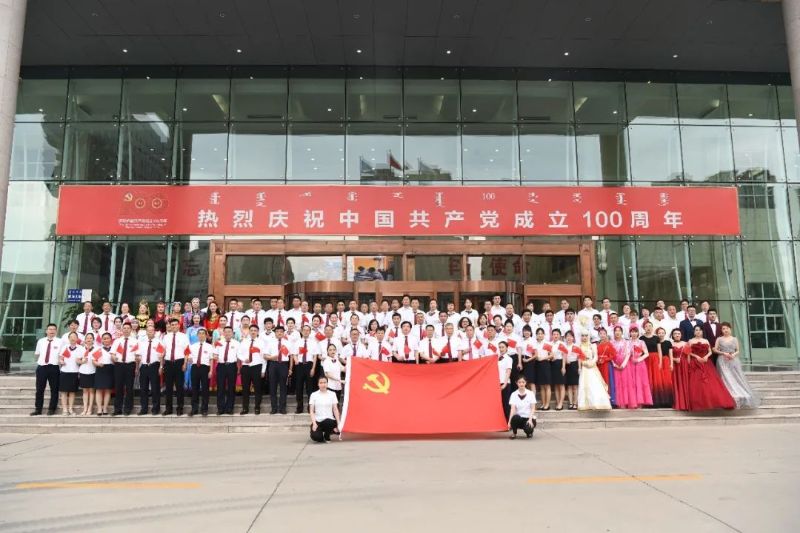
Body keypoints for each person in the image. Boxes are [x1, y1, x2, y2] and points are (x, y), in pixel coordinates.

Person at [686, 325, 735, 411]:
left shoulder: (706, 340)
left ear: (702, 332)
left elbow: (710, 352)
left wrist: (706, 356)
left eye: (700, 330)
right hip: (695, 363)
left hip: (706, 362)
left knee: (711, 383)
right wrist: (696, 357)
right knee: (697, 383)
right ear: (694, 332)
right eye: (696, 330)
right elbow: (688, 352)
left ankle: (715, 401)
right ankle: (699, 403)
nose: (698, 332)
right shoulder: (690, 341)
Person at [713, 323, 760, 409]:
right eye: (723, 329)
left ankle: (740, 395)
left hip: (733, 360)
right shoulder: (719, 339)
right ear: (721, 330)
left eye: (727, 328)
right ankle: (728, 396)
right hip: (722, 361)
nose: (725, 330)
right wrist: (723, 353)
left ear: (730, 329)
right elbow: (715, 350)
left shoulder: (734, 339)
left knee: (736, 377)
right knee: (726, 377)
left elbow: (738, 350)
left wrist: (733, 355)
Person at [31, 323, 62, 416]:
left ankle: (52, 409)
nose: (52, 331)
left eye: (53, 329)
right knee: (40, 389)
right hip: (42, 367)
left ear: (56, 331)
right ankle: (38, 409)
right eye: (50, 329)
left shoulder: (60, 341)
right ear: (46, 331)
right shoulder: (41, 341)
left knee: (54, 389)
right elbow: (37, 354)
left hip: (54, 367)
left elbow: (62, 355)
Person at [577, 330, 612, 411]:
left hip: (592, 367)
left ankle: (597, 403)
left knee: (594, 384)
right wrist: (580, 367)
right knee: (584, 385)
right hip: (584, 368)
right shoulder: (579, 346)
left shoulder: (592, 345)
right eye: (583, 336)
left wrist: (592, 362)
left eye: (586, 335)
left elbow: (596, 356)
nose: (584, 337)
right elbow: (579, 358)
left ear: (589, 336)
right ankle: (586, 404)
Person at [162, 318, 190, 415]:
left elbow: (187, 351)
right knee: (168, 387)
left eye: (176, 324)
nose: (174, 326)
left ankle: (180, 408)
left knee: (179, 386)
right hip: (168, 363)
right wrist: (162, 364)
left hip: (179, 362)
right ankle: (168, 409)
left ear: (179, 325)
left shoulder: (184, 336)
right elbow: (163, 350)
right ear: (170, 326)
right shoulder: (166, 337)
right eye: (172, 325)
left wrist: (185, 363)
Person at [111, 321, 138, 416]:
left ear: (131, 330)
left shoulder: (135, 341)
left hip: (130, 365)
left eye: (128, 328)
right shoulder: (117, 341)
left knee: (129, 388)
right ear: (122, 329)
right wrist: (113, 357)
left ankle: (128, 409)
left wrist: (137, 368)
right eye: (124, 328)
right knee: (118, 387)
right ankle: (117, 409)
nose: (126, 330)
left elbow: (137, 356)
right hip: (119, 365)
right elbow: (112, 353)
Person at [238, 324, 266, 415]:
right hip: (246, 367)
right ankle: (245, 408)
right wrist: (243, 359)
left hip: (257, 367)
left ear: (258, 332)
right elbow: (239, 353)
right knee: (245, 389)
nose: (253, 332)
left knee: (257, 388)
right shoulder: (244, 341)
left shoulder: (261, 342)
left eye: (255, 330)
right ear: (249, 331)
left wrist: (263, 370)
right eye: (251, 330)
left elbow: (264, 357)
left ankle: (257, 408)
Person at [137, 324, 164, 416]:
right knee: (143, 388)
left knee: (155, 388)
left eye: (152, 331)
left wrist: (161, 367)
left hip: (154, 366)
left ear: (154, 332)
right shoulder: (142, 342)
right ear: (146, 332)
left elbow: (161, 356)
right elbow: (138, 355)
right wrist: (137, 366)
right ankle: (144, 409)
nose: (150, 332)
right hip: (144, 366)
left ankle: (155, 409)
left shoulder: (159, 342)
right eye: (148, 331)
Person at [266, 325, 292, 414]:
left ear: (284, 333)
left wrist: (290, 368)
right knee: (272, 387)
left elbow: (291, 356)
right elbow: (265, 355)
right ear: (275, 333)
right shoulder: (270, 342)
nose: (279, 333)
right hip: (273, 365)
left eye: (281, 331)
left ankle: (282, 408)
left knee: (283, 387)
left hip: (284, 365)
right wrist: (271, 357)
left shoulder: (288, 343)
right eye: (277, 331)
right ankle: (274, 408)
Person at [642, 322, 668, 407]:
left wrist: (660, 362)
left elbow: (659, 351)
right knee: (647, 379)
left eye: (650, 326)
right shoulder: (641, 338)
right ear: (644, 328)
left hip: (655, 360)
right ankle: (647, 401)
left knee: (656, 380)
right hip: (646, 359)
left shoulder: (656, 338)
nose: (648, 328)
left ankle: (657, 401)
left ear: (652, 327)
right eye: (646, 326)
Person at [214, 326, 239, 415]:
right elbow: (215, 354)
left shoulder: (237, 343)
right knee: (220, 387)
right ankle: (220, 408)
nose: (228, 333)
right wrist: (215, 356)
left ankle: (229, 408)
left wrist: (239, 368)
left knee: (231, 388)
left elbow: (239, 356)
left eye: (229, 332)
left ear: (232, 333)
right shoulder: (218, 343)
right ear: (223, 333)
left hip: (232, 366)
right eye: (226, 332)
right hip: (221, 366)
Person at [189, 328, 214, 417]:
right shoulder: (192, 346)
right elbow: (189, 358)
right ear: (197, 335)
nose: (201, 335)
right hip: (195, 367)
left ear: (206, 335)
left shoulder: (210, 346)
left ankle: (204, 409)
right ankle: (194, 409)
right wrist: (189, 359)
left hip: (205, 368)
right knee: (194, 389)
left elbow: (211, 359)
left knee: (205, 389)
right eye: (199, 333)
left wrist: (211, 370)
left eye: (203, 333)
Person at [309, 377, 342, 443]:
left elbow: (335, 409)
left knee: (329, 422)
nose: (323, 384)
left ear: (327, 384)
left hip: (329, 420)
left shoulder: (332, 394)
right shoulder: (314, 395)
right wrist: (314, 423)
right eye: (321, 383)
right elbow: (311, 411)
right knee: (316, 437)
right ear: (318, 384)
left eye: (325, 382)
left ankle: (327, 435)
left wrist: (338, 423)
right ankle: (322, 435)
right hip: (318, 421)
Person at [627, 327, 653, 408]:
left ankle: (640, 402)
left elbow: (646, 353)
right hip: (630, 363)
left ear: (638, 333)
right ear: (630, 333)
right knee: (631, 382)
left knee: (640, 382)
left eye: (635, 332)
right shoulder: (627, 342)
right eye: (632, 332)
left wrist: (638, 359)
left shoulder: (641, 342)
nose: (634, 333)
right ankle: (632, 402)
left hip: (640, 364)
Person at [58, 332, 83, 416]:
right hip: (64, 371)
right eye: (71, 337)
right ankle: (65, 409)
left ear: (77, 339)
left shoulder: (80, 348)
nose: (73, 338)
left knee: (72, 392)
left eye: (74, 337)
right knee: (64, 392)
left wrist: (80, 361)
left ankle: (70, 409)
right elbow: (60, 358)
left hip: (75, 372)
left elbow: (82, 359)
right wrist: (61, 361)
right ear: (68, 338)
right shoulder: (65, 347)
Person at [92, 332, 115, 416]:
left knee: (108, 390)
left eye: (108, 338)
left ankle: (105, 408)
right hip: (100, 369)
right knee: (99, 390)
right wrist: (98, 364)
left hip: (110, 369)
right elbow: (93, 360)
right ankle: (99, 408)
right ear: (102, 340)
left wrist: (114, 360)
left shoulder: (114, 349)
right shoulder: (99, 349)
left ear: (111, 339)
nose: (106, 340)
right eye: (104, 339)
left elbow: (117, 360)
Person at [669, 328, 691, 411]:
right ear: (672, 335)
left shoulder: (686, 343)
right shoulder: (670, 343)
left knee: (685, 383)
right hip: (674, 365)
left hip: (684, 365)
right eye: (675, 334)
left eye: (678, 333)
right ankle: (678, 403)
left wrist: (689, 366)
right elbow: (668, 356)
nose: (677, 335)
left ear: (681, 335)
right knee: (676, 383)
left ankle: (686, 404)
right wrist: (674, 359)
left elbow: (688, 356)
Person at [77, 333, 97, 416]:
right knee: (85, 391)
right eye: (87, 338)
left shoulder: (96, 349)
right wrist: (82, 361)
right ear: (85, 340)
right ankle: (85, 409)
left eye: (91, 338)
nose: (89, 339)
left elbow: (98, 360)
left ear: (93, 340)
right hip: (83, 371)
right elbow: (77, 360)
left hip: (93, 371)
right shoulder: (81, 349)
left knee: (92, 391)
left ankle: (90, 408)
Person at [655, 327, 675, 407]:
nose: (661, 334)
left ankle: (668, 401)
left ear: (665, 334)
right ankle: (660, 401)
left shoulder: (668, 342)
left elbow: (671, 355)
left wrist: (671, 364)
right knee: (659, 381)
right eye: (659, 333)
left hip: (666, 362)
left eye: (662, 333)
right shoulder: (655, 342)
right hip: (657, 362)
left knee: (667, 381)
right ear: (657, 334)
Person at [596, 328, 616, 406]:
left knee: (607, 381)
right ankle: (601, 400)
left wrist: (605, 359)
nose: (602, 335)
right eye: (600, 334)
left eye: (604, 333)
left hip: (606, 365)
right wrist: (598, 360)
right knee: (600, 382)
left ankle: (609, 400)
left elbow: (613, 355)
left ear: (606, 335)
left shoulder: (609, 344)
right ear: (598, 335)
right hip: (599, 365)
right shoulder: (597, 345)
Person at [533, 328, 552, 409]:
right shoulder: (535, 344)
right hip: (538, 364)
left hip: (545, 364)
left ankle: (547, 404)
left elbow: (551, 355)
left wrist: (543, 358)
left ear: (544, 335)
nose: (540, 335)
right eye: (538, 334)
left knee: (547, 385)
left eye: (541, 333)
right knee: (541, 386)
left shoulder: (547, 344)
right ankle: (543, 404)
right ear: (536, 335)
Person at [563, 330, 580, 410]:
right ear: (565, 338)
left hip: (574, 365)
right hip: (567, 366)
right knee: (569, 386)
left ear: (573, 338)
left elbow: (579, 358)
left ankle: (575, 403)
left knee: (575, 386)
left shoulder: (576, 346)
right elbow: (563, 357)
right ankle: (570, 403)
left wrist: (579, 368)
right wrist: (565, 362)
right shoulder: (564, 346)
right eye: (567, 336)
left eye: (570, 336)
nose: (569, 338)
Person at [550, 329, 567, 410]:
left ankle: (561, 403)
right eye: (554, 334)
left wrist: (563, 367)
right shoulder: (550, 344)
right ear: (552, 335)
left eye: (557, 334)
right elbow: (549, 354)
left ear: (560, 335)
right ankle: (557, 402)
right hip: (552, 364)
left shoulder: (562, 344)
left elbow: (564, 356)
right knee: (556, 385)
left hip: (560, 364)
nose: (555, 336)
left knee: (561, 384)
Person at [497, 341, 513, 419]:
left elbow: (508, 371)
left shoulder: (508, 358)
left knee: (506, 403)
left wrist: (505, 384)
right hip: (497, 382)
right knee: (499, 404)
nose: (501, 349)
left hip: (505, 383)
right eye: (500, 347)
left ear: (507, 348)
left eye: (503, 347)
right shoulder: (497, 358)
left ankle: (508, 422)